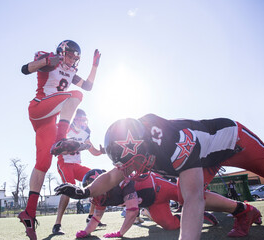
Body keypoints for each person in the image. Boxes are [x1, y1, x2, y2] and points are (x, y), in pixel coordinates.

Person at [56, 114, 264, 239]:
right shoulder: (141, 145)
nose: (132, 171)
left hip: (235, 142)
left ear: (145, 148)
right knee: (183, 195)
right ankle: (244, 212)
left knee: (190, 196)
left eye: (134, 164)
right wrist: (84, 191)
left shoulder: (173, 144)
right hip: (206, 158)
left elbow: (194, 200)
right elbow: (115, 174)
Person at [18, 40, 101, 240]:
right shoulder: (49, 58)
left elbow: (88, 85)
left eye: (75, 58)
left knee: (43, 163)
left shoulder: (70, 72)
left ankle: (29, 213)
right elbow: (24, 69)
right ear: (62, 52)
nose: (72, 60)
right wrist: (47, 61)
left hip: (49, 122)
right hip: (39, 108)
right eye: (70, 55)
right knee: (75, 95)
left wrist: (95, 66)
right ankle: (62, 138)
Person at [75, 170, 219, 239]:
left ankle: (237, 207)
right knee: (170, 225)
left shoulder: (122, 182)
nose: (95, 194)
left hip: (160, 186)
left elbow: (132, 211)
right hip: (153, 204)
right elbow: (96, 217)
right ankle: (188, 216)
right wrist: (86, 231)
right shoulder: (101, 197)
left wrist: (120, 233)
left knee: (192, 197)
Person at [52, 109, 106, 235]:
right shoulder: (65, 129)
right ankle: (57, 224)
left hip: (77, 164)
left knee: (97, 180)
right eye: (80, 119)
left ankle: (91, 216)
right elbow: (56, 150)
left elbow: (93, 151)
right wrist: (73, 147)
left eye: (84, 119)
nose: (82, 122)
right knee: (68, 187)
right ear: (74, 118)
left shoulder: (86, 131)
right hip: (64, 162)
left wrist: (101, 151)